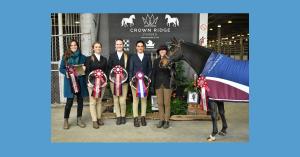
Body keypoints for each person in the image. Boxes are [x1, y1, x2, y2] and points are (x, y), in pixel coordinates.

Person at [59, 39, 88, 129]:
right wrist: (66, 72)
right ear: (69, 47)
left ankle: (79, 119)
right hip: (70, 83)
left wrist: (84, 68)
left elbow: (85, 68)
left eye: (75, 45)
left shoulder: (83, 57)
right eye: (71, 45)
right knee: (69, 102)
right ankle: (66, 120)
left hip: (80, 82)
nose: (73, 47)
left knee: (80, 102)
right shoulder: (65, 56)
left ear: (77, 46)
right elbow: (61, 68)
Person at [152, 45, 176, 129]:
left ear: (166, 51)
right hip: (158, 84)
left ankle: (166, 121)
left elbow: (174, 73)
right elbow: (154, 73)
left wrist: (170, 67)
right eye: (160, 50)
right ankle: (161, 120)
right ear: (158, 52)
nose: (162, 51)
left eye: (164, 50)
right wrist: (153, 85)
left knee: (167, 103)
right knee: (160, 103)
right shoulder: (155, 61)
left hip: (167, 84)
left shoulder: (170, 60)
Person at [129, 40, 152, 127]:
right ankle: (135, 118)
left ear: (144, 47)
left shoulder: (147, 57)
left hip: (145, 83)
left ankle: (143, 117)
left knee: (144, 100)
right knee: (135, 101)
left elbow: (150, 69)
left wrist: (148, 79)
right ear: (136, 47)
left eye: (141, 46)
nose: (140, 47)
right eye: (138, 46)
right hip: (135, 83)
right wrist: (131, 81)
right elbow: (130, 69)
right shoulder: (133, 57)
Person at [84, 41, 108, 129]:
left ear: (101, 48)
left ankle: (99, 118)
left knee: (99, 101)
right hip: (92, 84)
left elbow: (106, 71)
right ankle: (94, 120)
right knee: (93, 102)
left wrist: (105, 81)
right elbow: (86, 72)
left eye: (99, 47)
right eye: (96, 47)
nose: (98, 48)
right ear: (93, 48)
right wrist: (88, 82)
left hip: (102, 84)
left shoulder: (104, 59)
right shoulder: (88, 59)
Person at [107, 39, 129, 125]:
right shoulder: (112, 56)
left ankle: (123, 116)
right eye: (117, 44)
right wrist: (112, 78)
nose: (119, 46)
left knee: (122, 100)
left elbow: (129, 68)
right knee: (116, 100)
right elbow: (109, 68)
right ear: (115, 46)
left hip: (124, 82)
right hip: (114, 82)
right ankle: (118, 116)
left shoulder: (127, 56)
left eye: (120, 44)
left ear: (123, 45)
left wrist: (126, 78)